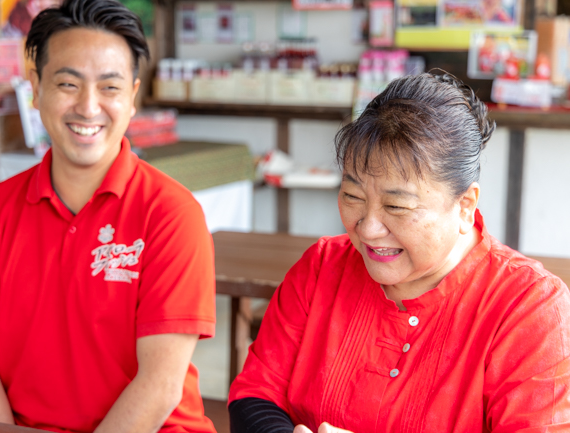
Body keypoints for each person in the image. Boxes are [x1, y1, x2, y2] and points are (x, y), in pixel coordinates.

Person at [228, 72, 570, 432]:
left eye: (397, 207)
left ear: (465, 206)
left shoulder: (530, 308)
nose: (368, 228)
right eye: (353, 197)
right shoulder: (322, 267)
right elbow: (255, 394)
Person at [0, 1, 216, 432]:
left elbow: (160, 384)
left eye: (109, 88)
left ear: (132, 97)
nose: (88, 108)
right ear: (35, 87)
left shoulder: (171, 214)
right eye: (68, 84)